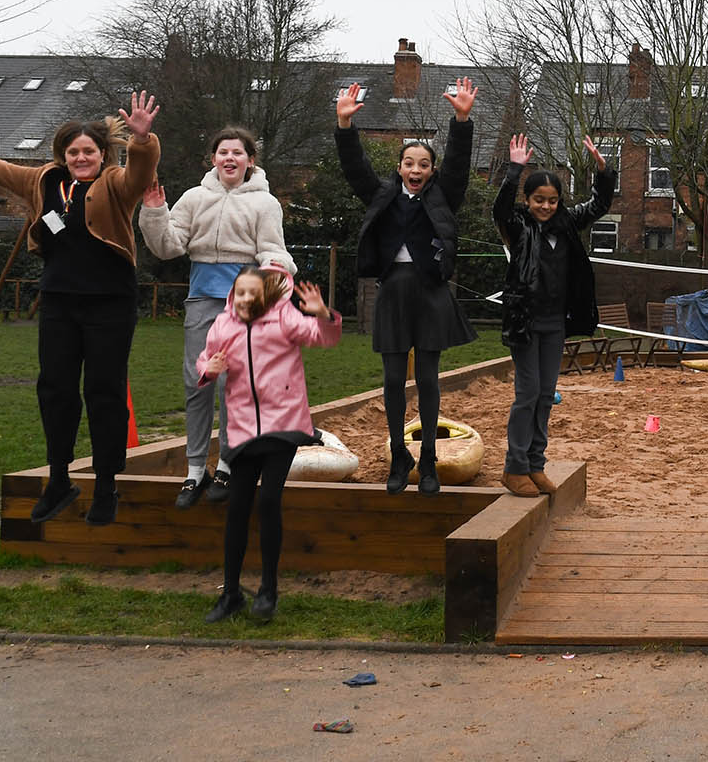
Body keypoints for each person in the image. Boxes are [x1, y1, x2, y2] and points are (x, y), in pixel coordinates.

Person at [0, 91, 161, 526]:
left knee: (104, 391)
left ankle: (106, 484)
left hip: (110, 302)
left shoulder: (115, 184)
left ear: (103, 154)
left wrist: (143, 140)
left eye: (89, 151)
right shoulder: (42, 181)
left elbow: (141, 173)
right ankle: (59, 479)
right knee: (55, 388)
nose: (81, 158)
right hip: (59, 301)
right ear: (63, 155)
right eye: (74, 152)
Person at [138, 127, 296, 510]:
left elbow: (273, 251)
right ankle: (195, 470)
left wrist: (269, 279)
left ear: (250, 161)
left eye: (237, 153)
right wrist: (155, 211)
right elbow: (168, 246)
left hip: (241, 306)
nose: (229, 158)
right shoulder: (195, 198)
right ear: (213, 159)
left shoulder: (265, 204)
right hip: (201, 301)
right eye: (222, 152)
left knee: (232, 385)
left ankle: (227, 463)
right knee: (198, 381)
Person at [335, 77, 479, 495]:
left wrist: (462, 118)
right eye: (409, 163)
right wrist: (345, 126)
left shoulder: (443, 196)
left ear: (431, 172)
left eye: (423, 164)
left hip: (431, 292)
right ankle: (400, 455)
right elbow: (354, 167)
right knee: (394, 379)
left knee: (430, 380)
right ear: (399, 168)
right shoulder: (381, 194)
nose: (416, 169)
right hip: (393, 292)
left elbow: (459, 164)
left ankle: (429, 458)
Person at [195, 268, 343, 622]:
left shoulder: (284, 319)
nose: (245, 298)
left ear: (265, 295)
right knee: (238, 506)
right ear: (233, 296)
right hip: (243, 428)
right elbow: (206, 360)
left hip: (284, 424)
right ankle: (231, 593)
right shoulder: (224, 325)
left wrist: (323, 314)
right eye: (239, 292)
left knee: (269, 499)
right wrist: (210, 368)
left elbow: (320, 337)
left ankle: (268, 591)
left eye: (252, 293)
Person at [493, 132, 614, 497]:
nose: (545, 207)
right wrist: (514, 171)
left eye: (552, 200)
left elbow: (599, 205)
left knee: (546, 395)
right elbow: (499, 209)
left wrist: (603, 169)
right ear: (527, 200)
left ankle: (535, 464)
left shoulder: (566, 223)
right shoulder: (518, 225)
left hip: (555, 323)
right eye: (538, 200)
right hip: (525, 321)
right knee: (527, 394)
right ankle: (514, 468)